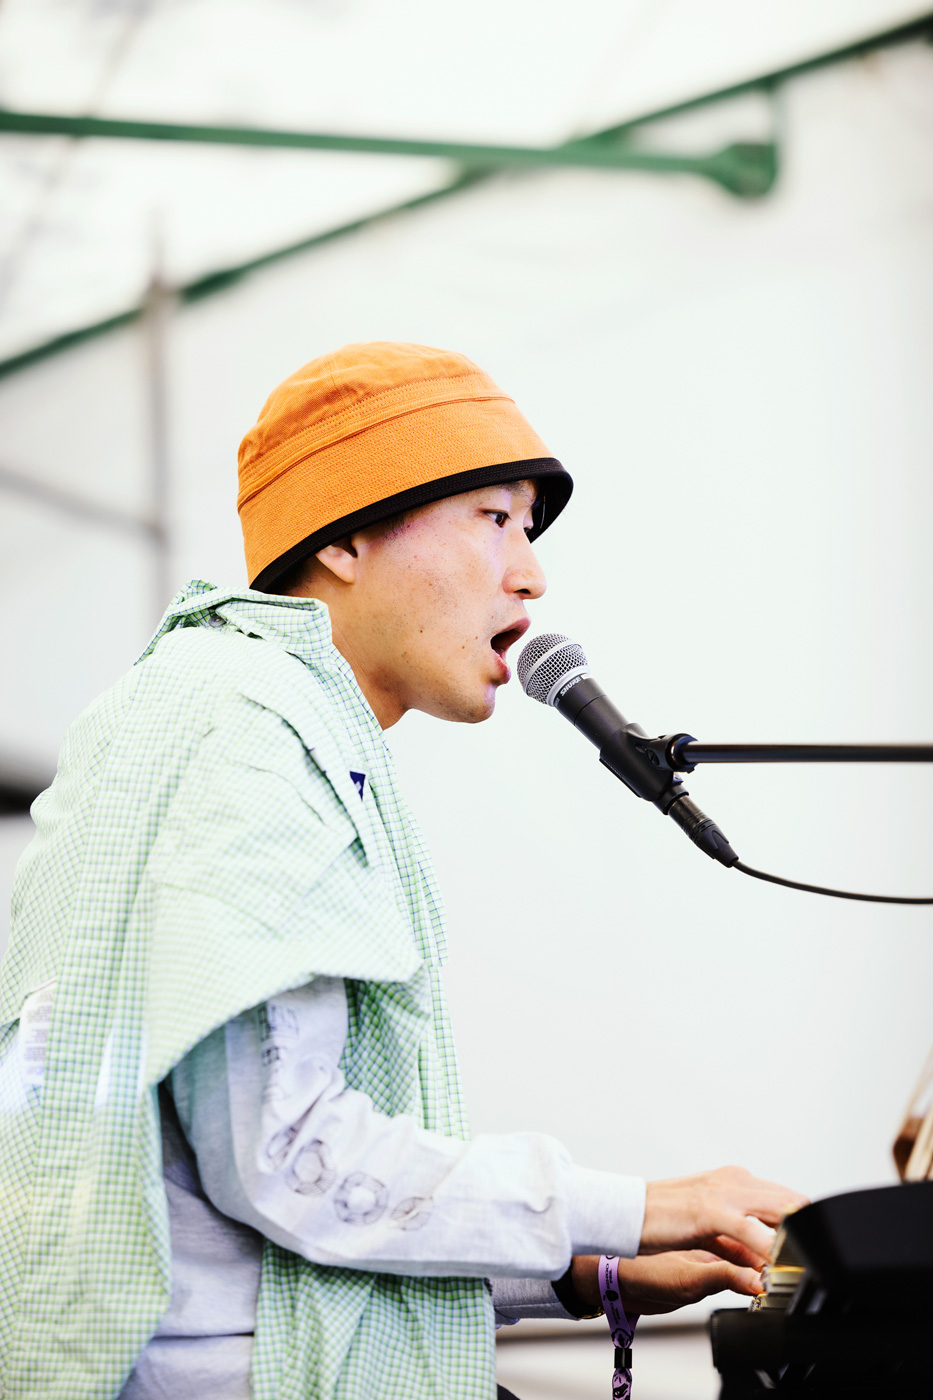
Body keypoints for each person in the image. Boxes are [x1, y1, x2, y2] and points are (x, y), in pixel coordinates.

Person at [0, 342, 805, 1400]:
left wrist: (574, 1269)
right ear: (344, 538)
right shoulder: (250, 728)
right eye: (494, 517)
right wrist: (639, 1205)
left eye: (528, 528)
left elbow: (237, 1224)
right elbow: (287, 1160)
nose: (531, 572)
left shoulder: (225, 708)